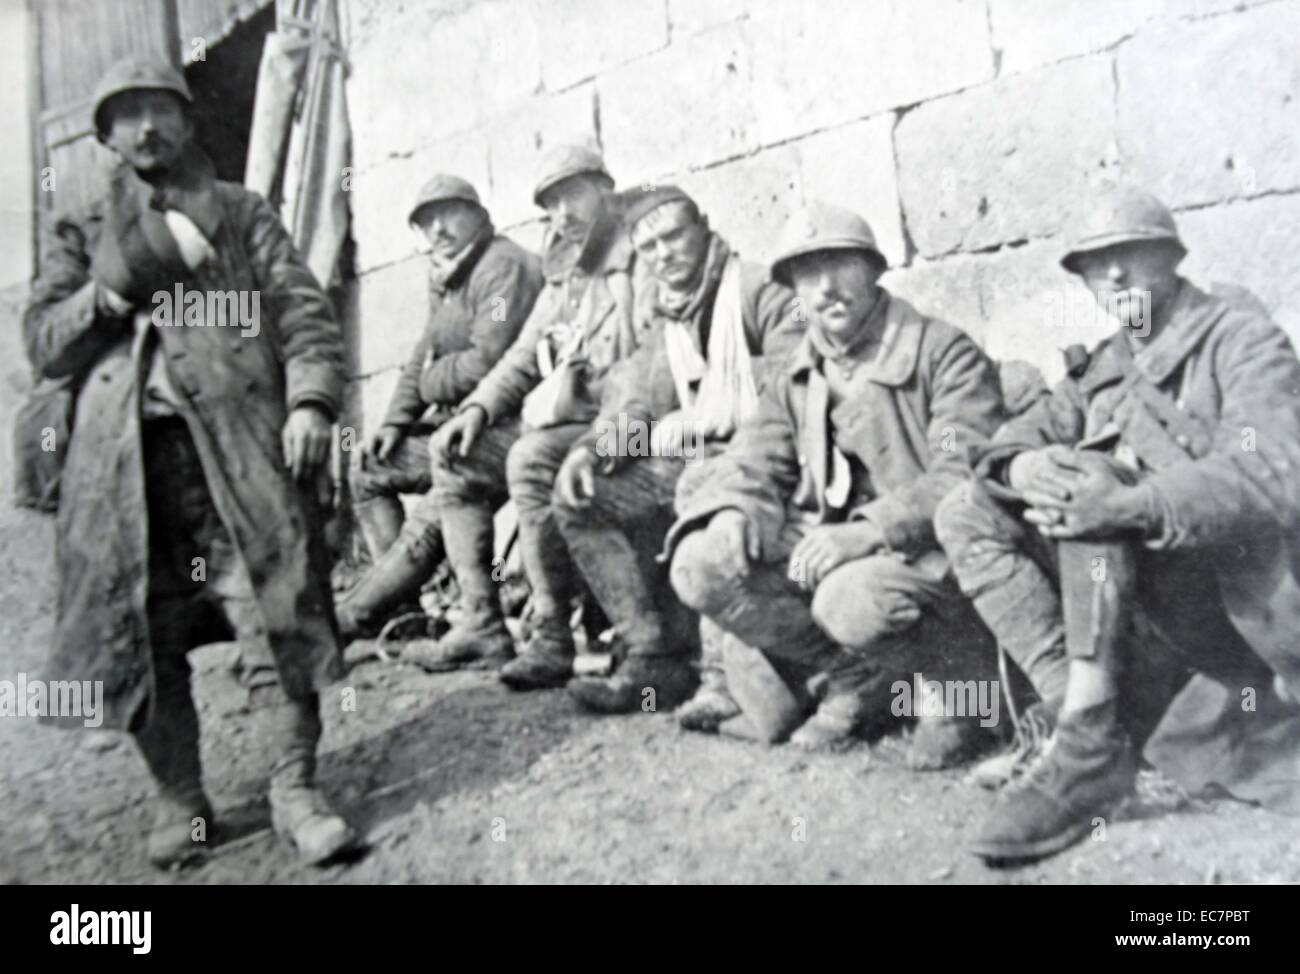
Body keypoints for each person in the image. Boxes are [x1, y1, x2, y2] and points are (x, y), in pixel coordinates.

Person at [24, 58, 355, 868]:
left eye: (161, 111)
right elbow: (42, 343)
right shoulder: (81, 229)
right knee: (140, 632)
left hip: (238, 452)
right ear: (105, 135)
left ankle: (294, 788)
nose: (147, 129)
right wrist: (105, 296)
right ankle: (183, 803)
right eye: (128, 115)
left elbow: (302, 312)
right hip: (125, 472)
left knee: (278, 608)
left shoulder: (241, 214)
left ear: (188, 122)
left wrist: (310, 403)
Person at [934, 186, 1300, 861]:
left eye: (1132, 255)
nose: (1114, 276)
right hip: (1155, 613)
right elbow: (1003, 446)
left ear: (1170, 257)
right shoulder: (1103, 370)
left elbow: (1274, 471)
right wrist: (1027, 466)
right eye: (1095, 264)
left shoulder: (1239, 339)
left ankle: (1093, 740)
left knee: (1094, 486)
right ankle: (1080, 723)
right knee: (969, 509)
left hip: (1251, 610)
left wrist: (1130, 503)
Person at [667, 202, 1006, 754]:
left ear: (873, 270)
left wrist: (868, 531)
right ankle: (856, 675)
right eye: (807, 274)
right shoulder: (798, 372)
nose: (825, 287)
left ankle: (955, 689)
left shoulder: (941, 354)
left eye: (840, 266)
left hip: (927, 555)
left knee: (850, 600)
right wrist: (733, 509)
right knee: (699, 564)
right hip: (832, 550)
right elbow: (757, 457)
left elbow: (964, 472)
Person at [550, 184, 803, 714]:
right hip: (700, 459)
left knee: (700, 482)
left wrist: (705, 416)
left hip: (770, 465)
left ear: (704, 228)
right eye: (649, 248)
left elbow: (797, 385)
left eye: (673, 237)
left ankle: (719, 681)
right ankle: (652, 655)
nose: (664, 255)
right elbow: (637, 404)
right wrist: (594, 450)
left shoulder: (759, 290)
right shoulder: (667, 319)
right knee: (580, 496)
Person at [411, 145, 648, 675]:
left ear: (605, 191)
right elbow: (523, 353)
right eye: (553, 204)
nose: (564, 214)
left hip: (629, 425)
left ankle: (552, 634)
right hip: (575, 421)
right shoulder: (564, 268)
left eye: (574, 195)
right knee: (454, 454)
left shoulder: (638, 258)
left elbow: (649, 368)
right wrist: (474, 410)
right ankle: (482, 623)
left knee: (530, 457)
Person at [336, 175, 541, 639]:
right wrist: (394, 422)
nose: (438, 228)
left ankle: (358, 614)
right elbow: (420, 356)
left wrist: (431, 380)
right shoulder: (449, 275)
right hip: (458, 425)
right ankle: (407, 608)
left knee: (432, 508)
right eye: (426, 221)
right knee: (368, 468)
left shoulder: (501, 267)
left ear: (478, 214)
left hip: (506, 428)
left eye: (449, 213)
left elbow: (489, 361)